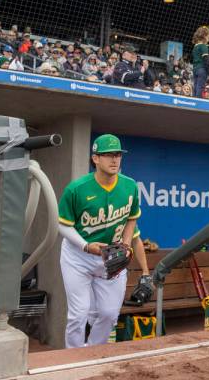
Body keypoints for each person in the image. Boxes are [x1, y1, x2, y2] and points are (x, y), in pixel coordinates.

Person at [57, 134, 142, 348]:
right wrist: (85, 245)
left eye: (118, 155)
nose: (114, 160)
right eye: (108, 155)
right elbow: (62, 224)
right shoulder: (76, 189)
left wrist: (125, 246)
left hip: (110, 256)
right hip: (78, 256)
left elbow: (132, 219)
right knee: (78, 314)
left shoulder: (130, 186)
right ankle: (74, 356)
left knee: (109, 313)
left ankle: (94, 352)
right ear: (95, 158)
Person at [191, 26, 209, 98]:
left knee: (195, 87)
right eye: (208, 37)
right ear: (205, 36)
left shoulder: (195, 47)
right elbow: (206, 59)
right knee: (200, 87)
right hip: (202, 69)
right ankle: (197, 104)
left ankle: (193, 102)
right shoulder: (203, 46)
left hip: (195, 69)